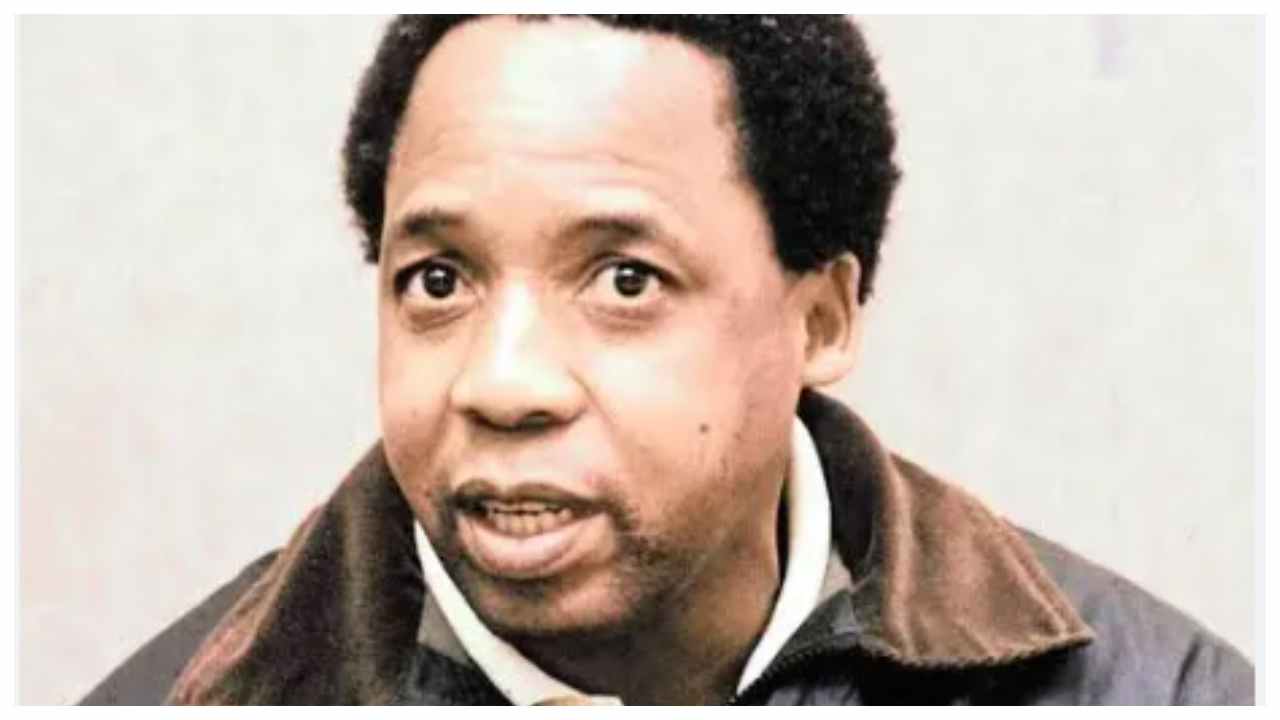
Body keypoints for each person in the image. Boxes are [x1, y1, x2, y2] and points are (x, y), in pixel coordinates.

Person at [81, 14, 1253, 705]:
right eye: (438, 281)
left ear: (820, 319)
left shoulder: (1159, 695)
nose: (502, 383)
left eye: (624, 279)